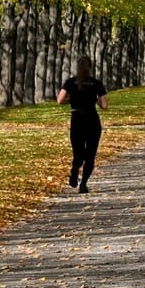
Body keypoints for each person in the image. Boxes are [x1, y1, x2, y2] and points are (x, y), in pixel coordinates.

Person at [57, 56, 108, 193]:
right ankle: (83, 184)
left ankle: (75, 169)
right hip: (92, 120)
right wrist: (94, 100)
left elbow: (60, 100)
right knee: (90, 154)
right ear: (90, 67)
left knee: (78, 151)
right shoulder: (96, 83)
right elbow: (104, 105)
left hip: (77, 119)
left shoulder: (70, 82)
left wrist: (72, 101)